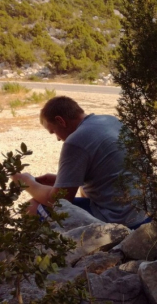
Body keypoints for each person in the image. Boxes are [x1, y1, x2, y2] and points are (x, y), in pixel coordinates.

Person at [13, 96, 149, 229]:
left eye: (53, 132)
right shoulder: (109, 120)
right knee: (83, 189)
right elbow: (108, 174)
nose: (58, 139)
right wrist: (60, 181)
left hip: (121, 220)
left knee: (31, 207)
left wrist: (26, 182)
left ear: (61, 121)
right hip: (145, 213)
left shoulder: (76, 140)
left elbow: (59, 200)